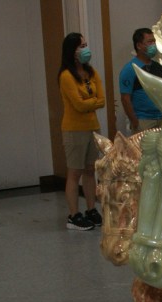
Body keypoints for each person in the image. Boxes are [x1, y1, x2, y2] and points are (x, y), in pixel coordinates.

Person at [59, 32, 105, 231]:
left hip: (92, 127)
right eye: (81, 46)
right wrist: (92, 102)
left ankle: (91, 209)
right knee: (74, 172)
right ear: (72, 51)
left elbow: (102, 100)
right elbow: (78, 105)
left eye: (86, 45)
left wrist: (90, 102)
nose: (85, 49)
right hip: (74, 130)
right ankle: (73, 215)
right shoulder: (66, 76)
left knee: (90, 170)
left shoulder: (91, 72)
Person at [119, 28, 162, 134]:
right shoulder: (130, 69)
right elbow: (125, 99)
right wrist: (135, 122)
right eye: (149, 42)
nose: (153, 45)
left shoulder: (158, 67)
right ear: (139, 45)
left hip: (160, 119)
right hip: (143, 120)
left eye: (154, 41)